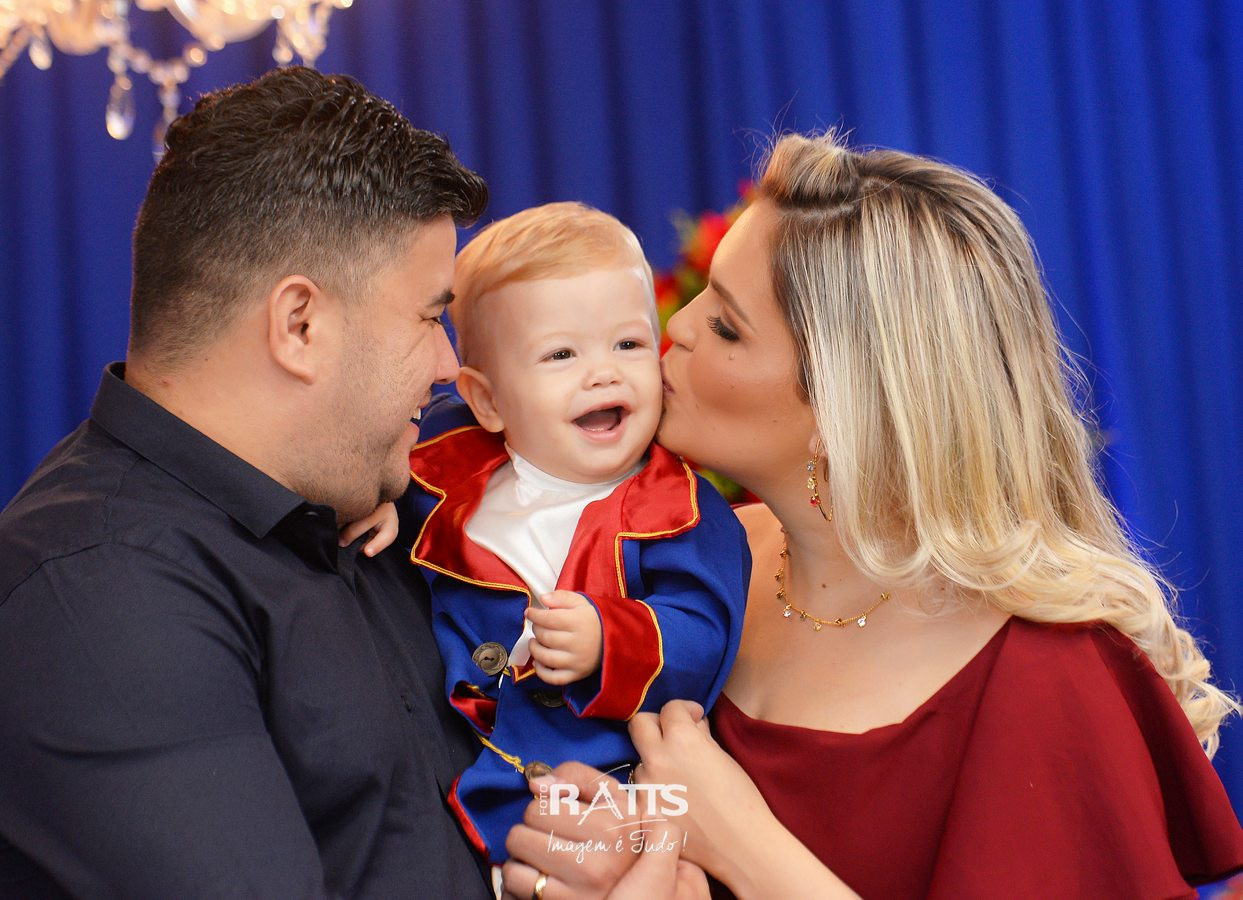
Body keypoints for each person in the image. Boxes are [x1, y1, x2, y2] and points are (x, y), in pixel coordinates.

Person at [502, 132, 1243, 898]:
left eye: (726, 326)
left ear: (845, 405)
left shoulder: (1046, 670)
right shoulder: (682, 560)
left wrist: (742, 843)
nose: (678, 326)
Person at [0, 66, 495, 897]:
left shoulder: (377, 500)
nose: (449, 364)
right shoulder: (96, 592)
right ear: (299, 324)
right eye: (428, 316)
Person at [402, 201, 749, 864]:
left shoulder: (678, 510)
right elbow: (375, 469)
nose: (603, 371)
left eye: (629, 344)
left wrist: (608, 638)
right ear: (488, 400)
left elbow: (706, 630)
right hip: (456, 765)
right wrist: (379, 500)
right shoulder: (443, 467)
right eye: (561, 354)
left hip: (607, 786)